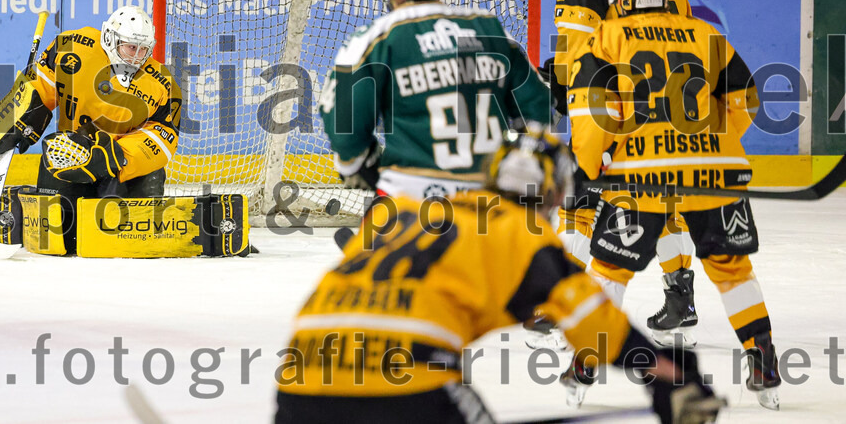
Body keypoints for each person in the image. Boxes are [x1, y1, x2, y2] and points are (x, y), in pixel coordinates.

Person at [273, 129, 725, 424]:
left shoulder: (408, 213)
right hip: (407, 377)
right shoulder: (524, 235)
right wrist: (672, 376)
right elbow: (600, 331)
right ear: (553, 194)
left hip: (299, 373)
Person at [568, 0, 781, 410]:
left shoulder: (606, 36)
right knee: (732, 270)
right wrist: (716, 144)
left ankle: (584, 362)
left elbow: (591, 111)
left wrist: (592, 163)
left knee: (609, 270)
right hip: (712, 174)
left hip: (641, 176)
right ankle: (763, 361)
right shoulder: (706, 33)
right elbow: (746, 96)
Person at [540, 0, 699, 348]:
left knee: (578, 203)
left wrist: (559, 83)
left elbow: (577, 52)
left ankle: (565, 304)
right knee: (665, 204)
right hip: (666, 114)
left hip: (606, 110)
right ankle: (681, 301)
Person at [319, 0, 551, 202]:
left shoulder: (374, 40)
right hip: (488, 204)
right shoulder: (490, 29)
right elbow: (539, 108)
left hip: (410, 204)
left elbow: (344, 130)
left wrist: (358, 165)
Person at [0, 5, 181, 253]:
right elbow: (42, 82)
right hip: (71, 155)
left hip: (121, 166)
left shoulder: (162, 84)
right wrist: (17, 115)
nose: (136, 57)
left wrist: (117, 155)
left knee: (128, 241)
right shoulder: (72, 46)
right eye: (130, 47)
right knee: (63, 241)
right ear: (110, 38)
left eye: (143, 49)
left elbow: (163, 139)